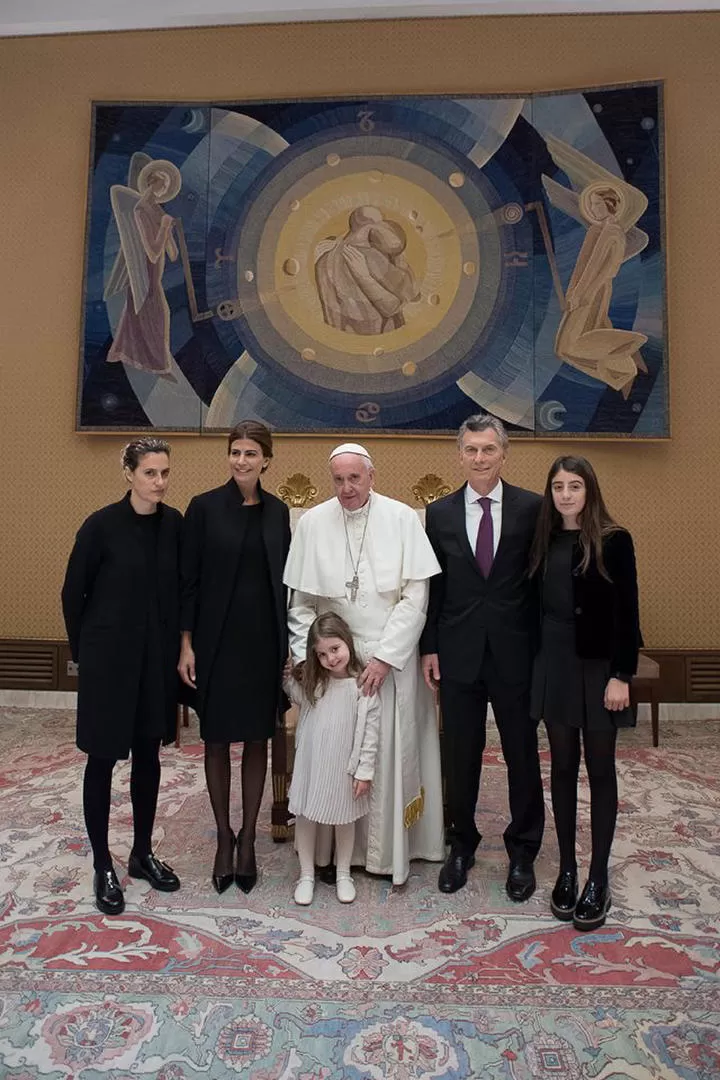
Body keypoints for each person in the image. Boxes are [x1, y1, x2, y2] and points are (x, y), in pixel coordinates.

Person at [283, 442, 445, 886]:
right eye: (338, 479)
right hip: (333, 667)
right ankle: (333, 858)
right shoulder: (314, 523)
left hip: (387, 662)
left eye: (355, 478)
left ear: (372, 476)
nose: (346, 488)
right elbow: (300, 606)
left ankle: (388, 853)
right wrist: (307, 660)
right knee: (336, 756)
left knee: (385, 752)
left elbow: (415, 597)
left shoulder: (401, 519)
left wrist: (385, 657)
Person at [420, 413, 545, 899]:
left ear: (503, 453)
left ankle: (522, 850)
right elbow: (433, 587)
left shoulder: (533, 509)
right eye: (470, 450)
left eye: (488, 450)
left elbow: (539, 585)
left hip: (516, 654)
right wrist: (430, 646)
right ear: (460, 454)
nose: (479, 458)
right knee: (461, 755)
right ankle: (461, 844)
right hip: (458, 655)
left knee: (521, 754)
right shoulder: (440, 513)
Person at [61, 437, 183, 916]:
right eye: (150, 472)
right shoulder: (100, 527)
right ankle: (101, 864)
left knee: (149, 757)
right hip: (108, 664)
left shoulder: (174, 526)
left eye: (165, 473)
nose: (159, 482)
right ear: (129, 473)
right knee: (103, 760)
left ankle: (141, 853)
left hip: (154, 663)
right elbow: (74, 594)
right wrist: (86, 655)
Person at [529, 455, 641, 931]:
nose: (567, 494)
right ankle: (568, 870)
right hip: (553, 664)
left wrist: (622, 674)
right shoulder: (544, 539)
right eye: (558, 486)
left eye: (575, 485)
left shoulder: (614, 541)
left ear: (590, 490)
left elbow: (628, 613)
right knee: (561, 767)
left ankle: (598, 877)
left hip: (599, 670)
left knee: (599, 770)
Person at [178, 421, 290, 894]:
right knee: (218, 740)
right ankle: (224, 838)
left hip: (262, 644)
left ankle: (248, 840)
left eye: (250, 453)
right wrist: (185, 644)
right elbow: (188, 580)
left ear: (266, 459)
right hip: (216, 643)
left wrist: (288, 649)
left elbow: (286, 583)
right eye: (235, 452)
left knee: (258, 740)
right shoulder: (203, 508)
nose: (242, 461)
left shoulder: (278, 511)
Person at [284, 613, 381, 906]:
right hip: (312, 765)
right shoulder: (316, 682)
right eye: (322, 654)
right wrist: (289, 676)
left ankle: (343, 874)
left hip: (344, 769)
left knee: (345, 818)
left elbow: (370, 734)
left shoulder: (361, 686)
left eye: (335, 649)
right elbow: (296, 694)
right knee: (306, 816)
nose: (330, 658)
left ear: (347, 641)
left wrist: (364, 771)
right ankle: (306, 875)